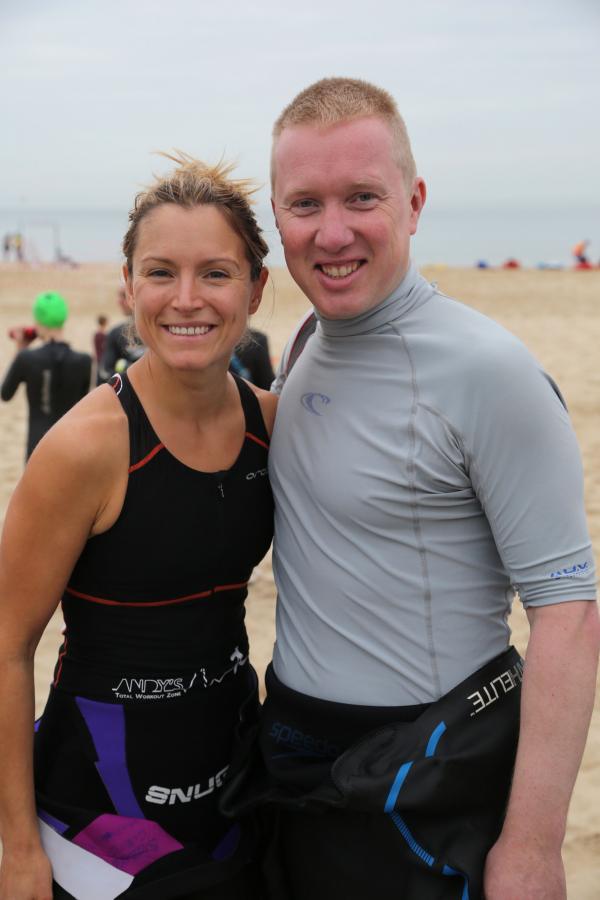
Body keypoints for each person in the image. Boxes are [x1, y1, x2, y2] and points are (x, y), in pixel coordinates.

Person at [221, 78, 599, 900]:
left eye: (363, 197)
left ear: (415, 200)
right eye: (304, 204)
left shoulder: (488, 371)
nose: (332, 232)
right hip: (293, 754)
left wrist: (533, 848)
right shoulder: (310, 337)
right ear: (275, 217)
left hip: (427, 773)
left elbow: (569, 612)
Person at [0, 153, 275, 899]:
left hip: (231, 794)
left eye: (216, 273)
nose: (187, 299)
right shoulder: (86, 449)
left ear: (257, 287)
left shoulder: (271, 425)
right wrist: (17, 846)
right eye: (160, 273)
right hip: (96, 821)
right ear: (128, 286)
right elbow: (6, 645)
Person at [1, 291, 92, 459]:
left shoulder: (26, 358)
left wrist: (20, 349)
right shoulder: (84, 361)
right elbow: (84, 404)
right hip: (71, 445)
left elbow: (5, 394)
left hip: (37, 446)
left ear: (38, 322)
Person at [98, 285, 145, 382]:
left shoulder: (160, 332)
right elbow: (104, 374)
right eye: (119, 296)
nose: (119, 301)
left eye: (124, 295)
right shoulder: (116, 334)